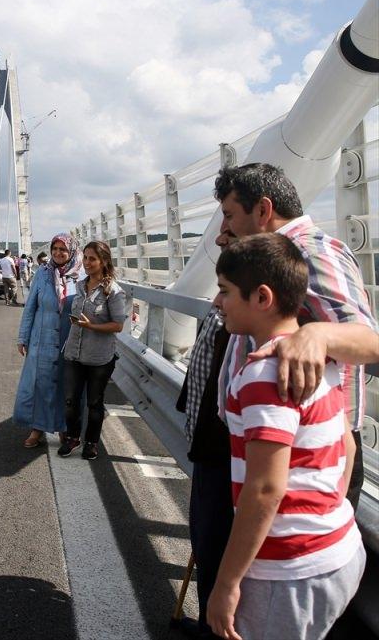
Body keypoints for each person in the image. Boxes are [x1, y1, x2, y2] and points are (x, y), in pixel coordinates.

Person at [207, 233, 364, 640]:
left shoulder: (263, 374)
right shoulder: (321, 358)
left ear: (261, 297)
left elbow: (264, 489)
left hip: (286, 570)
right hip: (339, 547)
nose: (216, 302)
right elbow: (346, 446)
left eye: (224, 291)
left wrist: (225, 584)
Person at [214, 163, 378, 510]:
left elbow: (370, 341)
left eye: (229, 215)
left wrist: (317, 334)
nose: (224, 229)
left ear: (263, 210)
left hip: (303, 453)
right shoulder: (276, 255)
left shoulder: (310, 252)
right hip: (277, 439)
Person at [175, 233, 235, 640]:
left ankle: (214, 625)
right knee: (205, 538)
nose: (218, 233)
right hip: (207, 444)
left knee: (214, 544)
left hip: (222, 452)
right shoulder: (234, 291)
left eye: (228, 219)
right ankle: (206, 620)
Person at [58, 241, 128, 460]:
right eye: (85, 258)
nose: (87, 263)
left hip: (100, 357)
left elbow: (118, 325)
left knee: (94, 403)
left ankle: (91, 442)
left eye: (92, 259)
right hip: (74, 352)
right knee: (70, 400)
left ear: (103, 262)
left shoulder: (114, 292)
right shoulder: (79, 285)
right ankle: (72, 437)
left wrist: (92, 326)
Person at [14, 234, 81, 448]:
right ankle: (38, 429)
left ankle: (63, 428)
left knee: (65, 385)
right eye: (55, 249)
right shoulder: (42, 274)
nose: (59, 253)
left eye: (64, 249)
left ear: (71, 252)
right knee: (40, 384)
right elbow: (30, 307)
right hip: (41, 338)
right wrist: (23, 337)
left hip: (68, 339)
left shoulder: (81, 276)